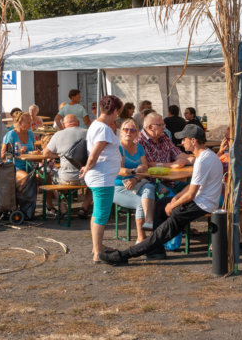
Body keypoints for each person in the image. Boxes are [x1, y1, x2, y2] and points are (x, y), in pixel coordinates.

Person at [100, 124, 223, 265]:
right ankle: (156, 250)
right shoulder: (207, 156)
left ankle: (122, 256)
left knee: (163, 229)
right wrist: (175, 198)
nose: (182, 142)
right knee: (160, 204)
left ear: (193, 141)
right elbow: (192, 186)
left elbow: (192, 194)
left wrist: (174, 205)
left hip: (202, 204)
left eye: (184, 139)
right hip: (201, 200)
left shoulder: (202, 161)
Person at [80, 95, 123, 264]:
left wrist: (88, 167)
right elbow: (95, 154)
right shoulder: (104, 128)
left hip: (100, 176)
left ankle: (97, 246)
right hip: (102, 178)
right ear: (115, 111)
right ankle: (97, 252)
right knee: (102, 216)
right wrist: (86, 167)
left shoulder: (95, 125)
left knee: (97, 213)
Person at [113, 119, 157, 242]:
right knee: (140, 204)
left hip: (136, 182)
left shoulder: (139, 147)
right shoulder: (118, 147)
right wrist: (134, 171)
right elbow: (119, 170)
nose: (129, 132)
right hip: (118, 186)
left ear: (136, 133)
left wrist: (135, 178)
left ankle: (149, 220)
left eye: (132, 130)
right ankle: (141, 239)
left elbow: (145, 169)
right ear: (121, 132)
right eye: (126, 129)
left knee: (150, 187)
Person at [43, 114, 89, 218]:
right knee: (94, 181)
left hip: (65, 178)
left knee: (51, 176)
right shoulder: (87, 132)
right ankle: (84, 208)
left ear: (63, 125)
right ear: (78, 123)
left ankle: (64, 211)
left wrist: (60, 155)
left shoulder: (58, 135)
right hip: (85, 177)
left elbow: (45, 154)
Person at [139, 113, 192, 177]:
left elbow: (177, 153)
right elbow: (148, 164)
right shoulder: (140, 140)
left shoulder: (164, 137)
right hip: (153, 181)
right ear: (150, 127)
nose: (164, 128)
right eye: (160, 125)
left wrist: (197, 161)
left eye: (163, 125)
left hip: (170, 178)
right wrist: (171, 165)